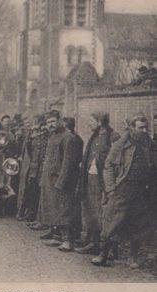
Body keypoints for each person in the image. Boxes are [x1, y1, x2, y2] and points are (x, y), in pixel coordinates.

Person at [93, 114, 156, 268]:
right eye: (140, 127)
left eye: (146, 127)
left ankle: (133, 257)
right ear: (132, 128)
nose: (144, 130)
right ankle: (103, 255)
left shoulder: (149, 144)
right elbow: (108, 167)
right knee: (112, 222)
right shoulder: (120, 144)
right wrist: (111, 189)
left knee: (139, 224)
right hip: (122, 189)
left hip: (141, 190)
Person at [38, 113, 83, 252]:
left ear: (60, 121)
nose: (50, 124)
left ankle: (68, 240)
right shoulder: (53, 137)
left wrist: (62, 181)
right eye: (48, 122)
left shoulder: (68, 138)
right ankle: (57, 236)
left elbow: (68, 163)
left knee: (65, 210)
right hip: (50, 180)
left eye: (53, 121)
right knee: (54, 209)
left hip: (61, 181)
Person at [75, 112, 119, 255]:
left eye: (91, 121)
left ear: (100, 122)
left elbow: (116, 163)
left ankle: (109, 249)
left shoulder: (113, 137)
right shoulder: (94, 137)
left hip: (103, 181)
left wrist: (110, 186)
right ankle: (94, 244)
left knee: (104, 215)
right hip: (90, 179)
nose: (89, 124)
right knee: (92, 213)